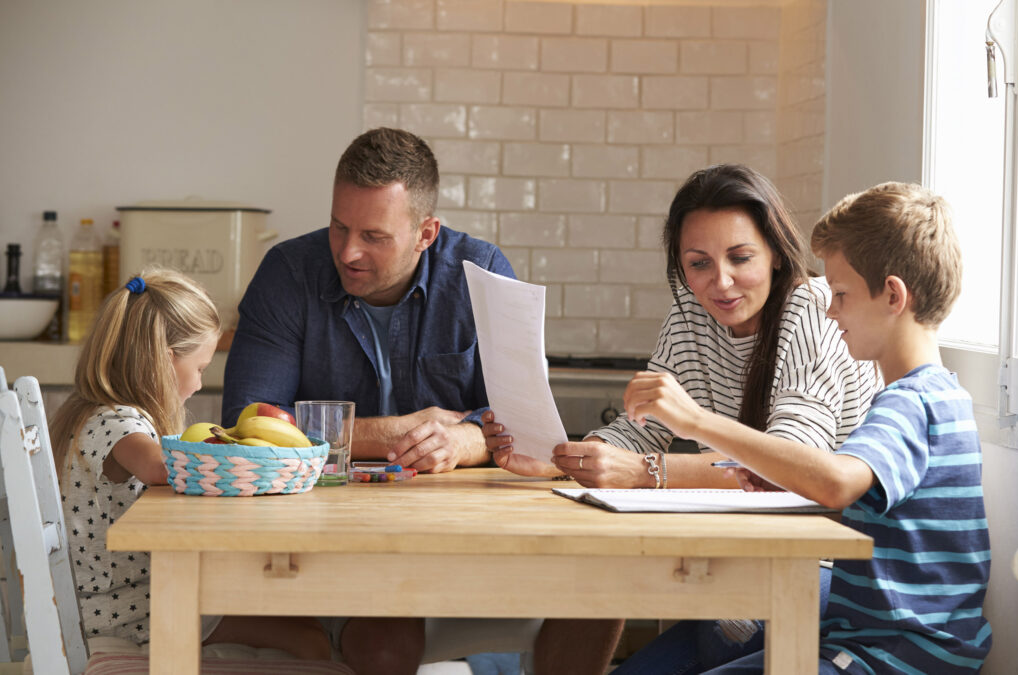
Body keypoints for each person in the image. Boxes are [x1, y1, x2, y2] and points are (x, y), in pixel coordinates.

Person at [222, 127, 621, 675]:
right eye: (339, 226)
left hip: (466, 534)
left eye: (374, 235)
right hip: (327, 536)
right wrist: (395, 433)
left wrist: (468, 438)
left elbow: (526, 428)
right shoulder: (287, 274)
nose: (347, 250)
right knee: (383, 642)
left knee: (602, 591)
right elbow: (246, 425)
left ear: (426, 233)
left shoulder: (481, 274)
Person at [611, 182, 993, 674]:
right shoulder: (935, 396)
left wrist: (695, 421)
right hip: (863, 643)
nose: (830, 310)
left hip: (893, 657)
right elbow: (853, 500)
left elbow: (834, 481)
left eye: (839, 294)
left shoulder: (913, 404)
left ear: (893, 295)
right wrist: (778, 476)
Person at [486, 163, 880, 491]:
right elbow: (642, 431)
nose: (721, 282)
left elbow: (789, 465)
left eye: (740, 258)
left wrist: (644, 472)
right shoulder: (691, 312)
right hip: (753, 532)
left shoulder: (813, 307)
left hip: (831, 547)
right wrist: (562, 459)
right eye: (699, 263)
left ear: (776, 253)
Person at [51, 269, 330, 659]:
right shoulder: (116, 422)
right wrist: (243, 453)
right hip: (124, 612)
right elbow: (158, 468)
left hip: (126, 598)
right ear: (164, 361)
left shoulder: (91, 410)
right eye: (199, 368)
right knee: (311, 641)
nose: (199, 384)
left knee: (307, 624)